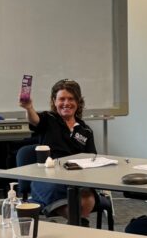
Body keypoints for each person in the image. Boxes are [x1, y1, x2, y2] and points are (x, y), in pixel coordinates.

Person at [20, 79, 98, 219]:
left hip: (75, 179)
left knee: (88, 196)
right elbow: (34, 120)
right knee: (57, 192)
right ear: (54, 101)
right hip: (47, 178)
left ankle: (75, 224)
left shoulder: (86, 130)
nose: (66, 103)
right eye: (62, 99)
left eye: (71, 99)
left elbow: (92, 158)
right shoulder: (48, 119)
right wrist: (28, 108)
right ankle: (77, 225)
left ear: (78, 102)